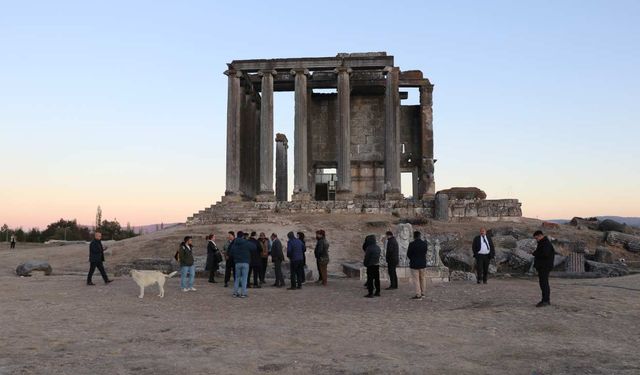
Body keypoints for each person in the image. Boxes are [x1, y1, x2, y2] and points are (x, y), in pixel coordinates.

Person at [533, 230, 556, 307]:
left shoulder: (545, 243)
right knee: (543, 283)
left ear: (540, 236)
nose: (537, 240)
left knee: (544, 284)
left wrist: (535, 253)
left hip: (544, 266)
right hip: (542, 266)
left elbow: (545, 254)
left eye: (537, 238)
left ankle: (546, 300)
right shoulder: (543, 243)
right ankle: (545, 300)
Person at [229, 231, 251, 298]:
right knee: (244, 278)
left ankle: (235, 293)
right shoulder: (246, 242)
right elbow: (254, 248)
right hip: (245, 262)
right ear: (242, 236)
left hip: (237, 262)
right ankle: (243, 293)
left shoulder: (234, 243)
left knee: (237, 278)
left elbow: (231, 252)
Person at [407, 231, 428, 300]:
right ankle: (423, 293)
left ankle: (418, 294)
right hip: (423, 264)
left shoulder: (411, 244)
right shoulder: (424, 244)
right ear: (420, 236)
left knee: (416, 280)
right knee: (423, 278)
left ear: (414, 236)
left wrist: (413, 259)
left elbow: (408, 254)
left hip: (414, 264)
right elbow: (425, 252)